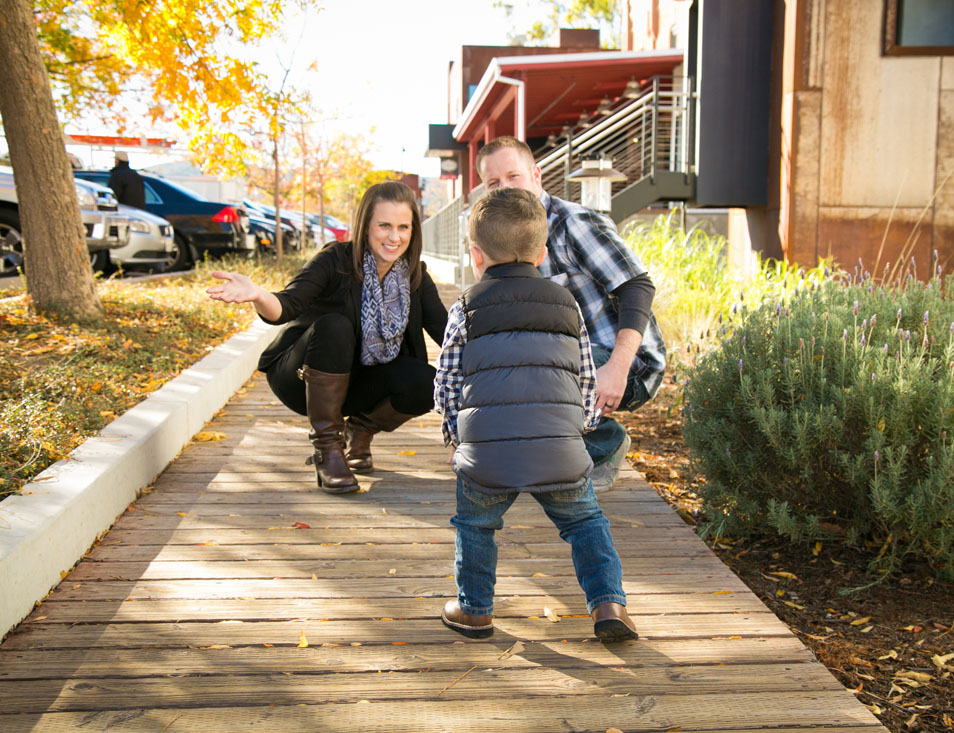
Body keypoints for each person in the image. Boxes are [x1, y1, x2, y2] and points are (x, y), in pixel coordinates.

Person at [434, 187, 637, 644]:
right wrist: (578, 431)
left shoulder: (465, 307)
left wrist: (456, 438)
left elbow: (446, 381)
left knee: (475, 525)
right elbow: (586, 378)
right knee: (585, 522)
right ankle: (609, 604)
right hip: (559, 450)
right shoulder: (568, 306)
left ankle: (474, 611)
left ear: (476, 254)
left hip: (486, 454)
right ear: (542, 253)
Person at [206, 181, 447, 494]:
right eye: (384, 225)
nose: (394, 237)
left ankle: (359, 431)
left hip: (361, 382)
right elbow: (286, 305)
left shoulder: (415, 275)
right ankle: (327, 449)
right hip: (302, 379)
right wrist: (257, 295)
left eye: (404, 227)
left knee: (428, 380)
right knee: (334, 325)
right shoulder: (336, 260)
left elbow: (447, 333)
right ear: (365, 226)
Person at [475, 136, 666, 492]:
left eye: (513, 176)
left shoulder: (573, 223)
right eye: (493, 183)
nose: (505, 189)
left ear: (536, 175)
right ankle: (558, 446)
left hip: (624, 362)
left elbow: (637, 287)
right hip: (563, 361)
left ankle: (605, 444)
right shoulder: (500, 237)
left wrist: (618, 368)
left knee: (529, 374)